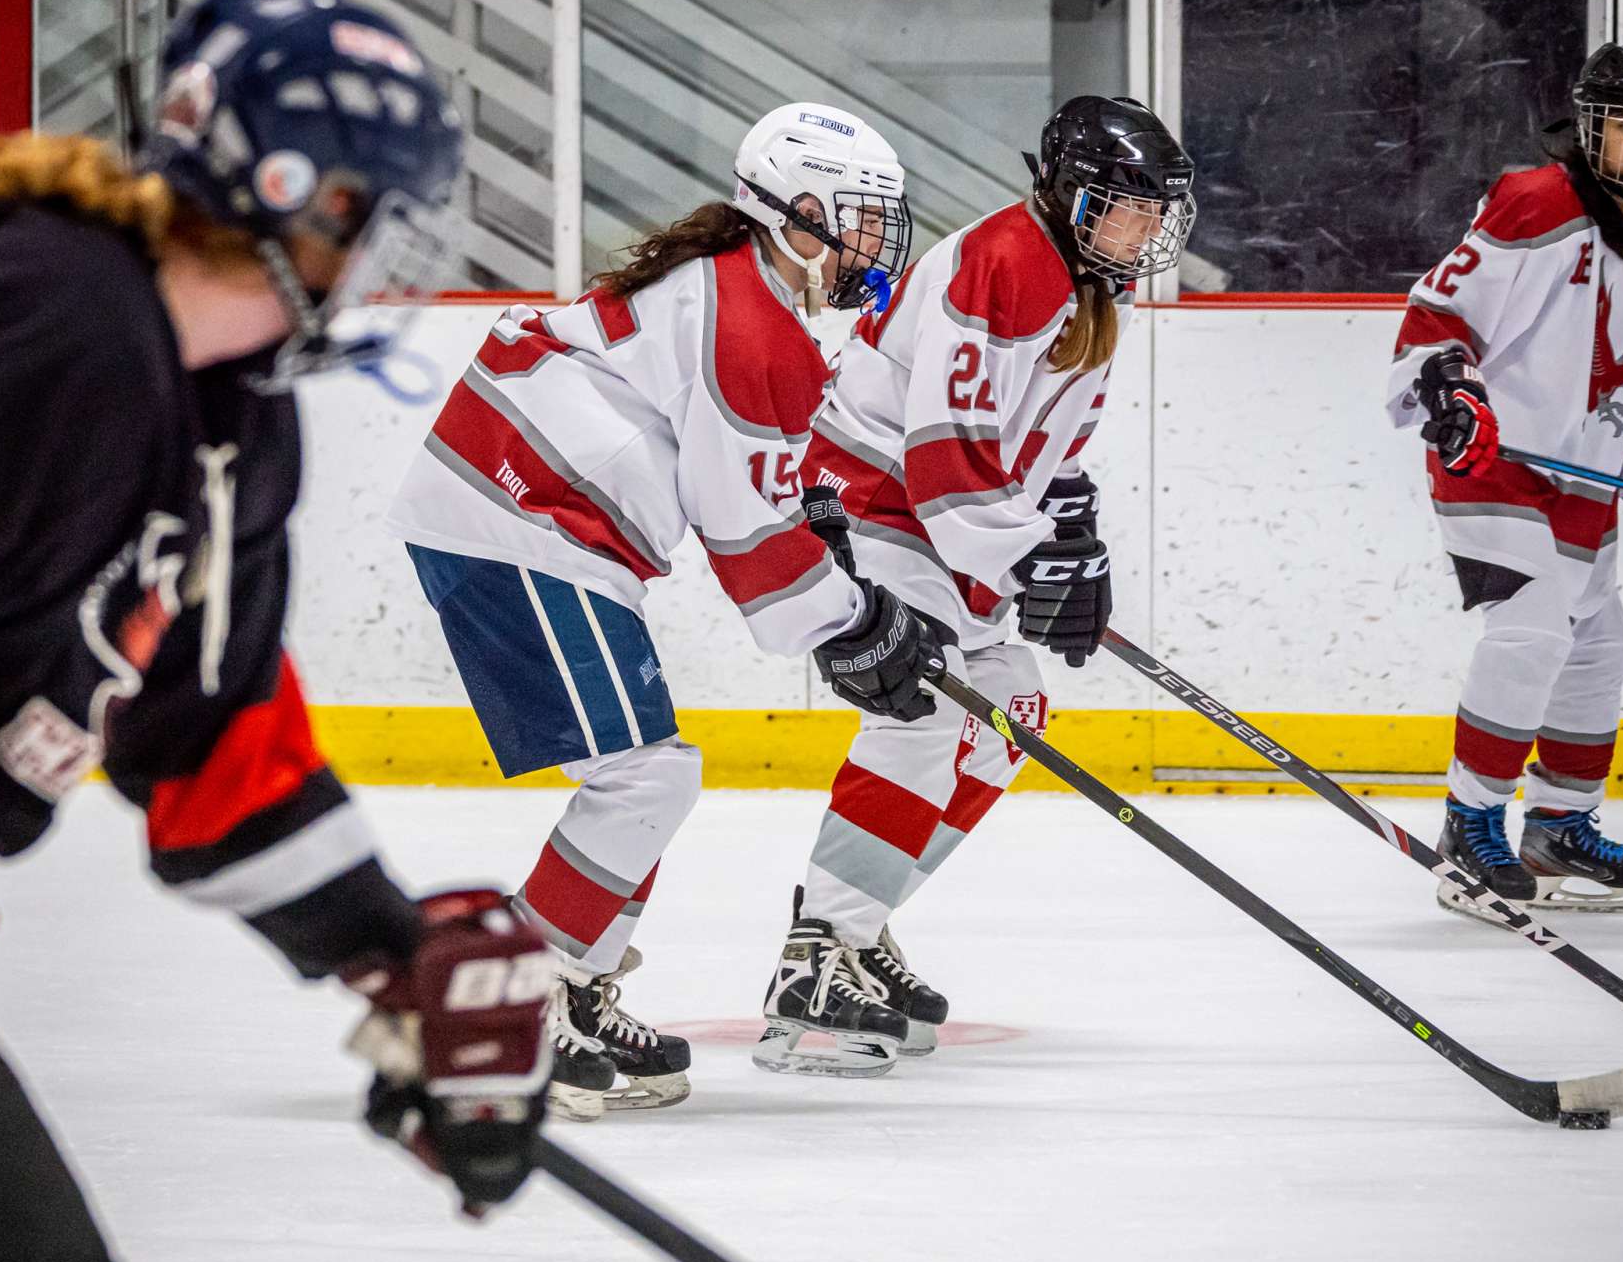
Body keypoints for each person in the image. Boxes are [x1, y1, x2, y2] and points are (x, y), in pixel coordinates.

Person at [0, 0, 555, 1262]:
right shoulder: (54, 321)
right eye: (373, 218)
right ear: (293, 195)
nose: (384, 262)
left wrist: (393, 952)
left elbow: (214, 748)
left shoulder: (226, 418)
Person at [388, 103, 941, 1109]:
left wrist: (831, 566)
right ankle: (513, 1003)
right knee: (644, 775)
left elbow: (763, 485)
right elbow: (742, 534)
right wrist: (850, 619)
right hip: (514, 515)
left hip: (539, 520)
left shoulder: (741, 290)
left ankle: (578, 986)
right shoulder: (745, 316)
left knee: (651, 772)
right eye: (859, 217)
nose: (873, 240)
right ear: (799, 209)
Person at [757, 96, 1197, 1075]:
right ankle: (817, 956)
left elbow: (1031, 444)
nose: (1141, 229)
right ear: (1065, 194)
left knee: (1013, 709)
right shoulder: (1002, 261)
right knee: (919, 705)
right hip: (873, 496)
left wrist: (1068, 523)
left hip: (938, 512)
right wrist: (1032, 556)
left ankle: (854, 926)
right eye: (1122, 207)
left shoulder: (1087, 291)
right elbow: (944, 446)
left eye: (1152, 212)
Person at [1387, 43, 1623, 919]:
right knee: (1534, 628)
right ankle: (1470, 827)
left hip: (1585, 475)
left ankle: (1560, 825)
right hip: (1495, 459)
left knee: (1598, 643)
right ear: (1589, 130)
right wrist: (1451, 390)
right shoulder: (1534, 203)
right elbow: (1438, 313)